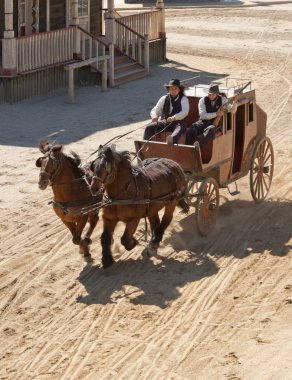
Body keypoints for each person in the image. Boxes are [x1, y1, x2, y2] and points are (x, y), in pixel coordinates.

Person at [185, 83, 239, 148]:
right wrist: (216, 114)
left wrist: (235, 102)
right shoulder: (202, 100)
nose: (210, 96)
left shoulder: (223, 100)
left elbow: (233, 111)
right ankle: (187, 148)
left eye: (212, 94)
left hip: (213, 124)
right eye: (209, 94)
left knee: (209, 129)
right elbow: (202, 116)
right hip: (202, 122)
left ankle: (198, 147)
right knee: (191, 130)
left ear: (217, 94)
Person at [143, 78, 189, 145]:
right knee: (149, 127)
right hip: (165, 121)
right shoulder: (164, 98)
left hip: (179, 122)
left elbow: (185, 112)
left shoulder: (184, 99)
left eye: (175, 88)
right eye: (171, 88)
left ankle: (171, 140)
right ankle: (144, 146)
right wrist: (154, 116)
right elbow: (156, 109)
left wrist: (174, 117)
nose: (173, 90)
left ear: (179, 89)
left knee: (179, 128)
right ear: (168, 89)